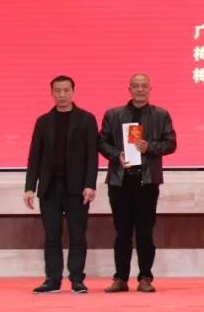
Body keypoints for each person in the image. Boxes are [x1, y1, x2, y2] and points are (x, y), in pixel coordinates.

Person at [97, 73, 177, 293]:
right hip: (120, 181)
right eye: (136, 86)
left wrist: (149, 147)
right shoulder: (113, 114)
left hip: (147, 181)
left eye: (144, 86)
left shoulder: (161, 115)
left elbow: (171, 143)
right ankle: (120, 278)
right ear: (129, 89)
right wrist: (117, 155)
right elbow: (101, 142)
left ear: (150, 89)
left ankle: (145, 277)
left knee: (145, 232)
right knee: (122, 232)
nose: (140, 89)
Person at [24, 75, 99, 293]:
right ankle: (52, 279)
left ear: (73, 92)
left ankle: (77, 279)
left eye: (66, 90)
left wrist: (90, 184)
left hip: (77, 188)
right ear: (52, 93)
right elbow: (34, 156)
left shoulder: (86, 119)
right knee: (51, 234)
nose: (62, 95)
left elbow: (92, 156)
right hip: (49, 187)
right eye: (58, 91)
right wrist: (30, 186)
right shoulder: (43, 121)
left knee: (77, 234)